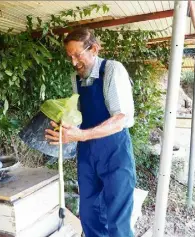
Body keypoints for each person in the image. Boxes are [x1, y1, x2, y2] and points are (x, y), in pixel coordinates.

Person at [45, 28, 136, 237]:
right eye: (70, 57)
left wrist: (82, 135)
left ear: (94, 48)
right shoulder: (75, 78)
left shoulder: (112, 70)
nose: (74, 62)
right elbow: (79, 115)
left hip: (115, 151)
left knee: (117, 219)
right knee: (89, 214)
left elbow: (120, 119)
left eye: (78, 55)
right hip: (87, 154)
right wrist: (62, 128)